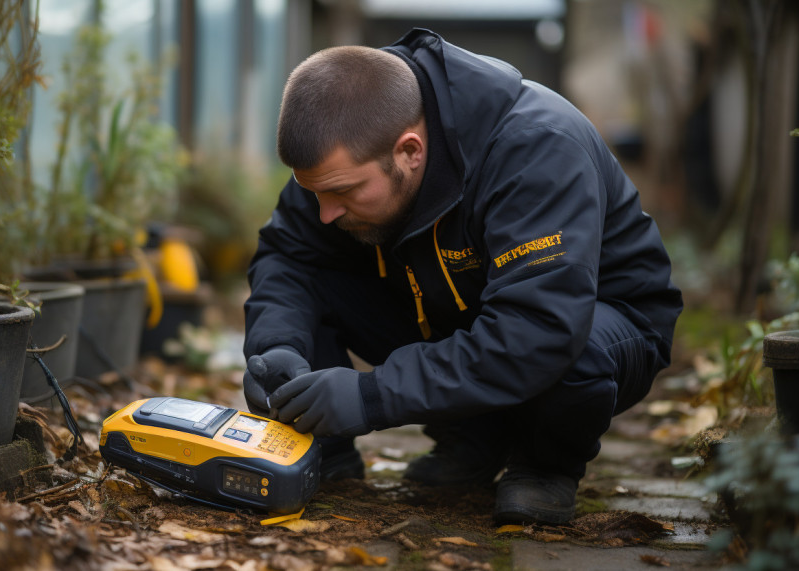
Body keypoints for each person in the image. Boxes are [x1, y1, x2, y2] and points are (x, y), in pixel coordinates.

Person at [242, 28, 682, 526]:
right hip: (453, 305)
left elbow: (538, 330)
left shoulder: (536, 149)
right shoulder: (351, 140)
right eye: (314, 192)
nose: (325, 212)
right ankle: (366, 448)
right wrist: (278, 345)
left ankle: (545, 463)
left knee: (571, 349)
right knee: (310, 285)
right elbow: (288, 256)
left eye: (342, 192)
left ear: (410, 151)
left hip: (598, 323)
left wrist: (372, 396)